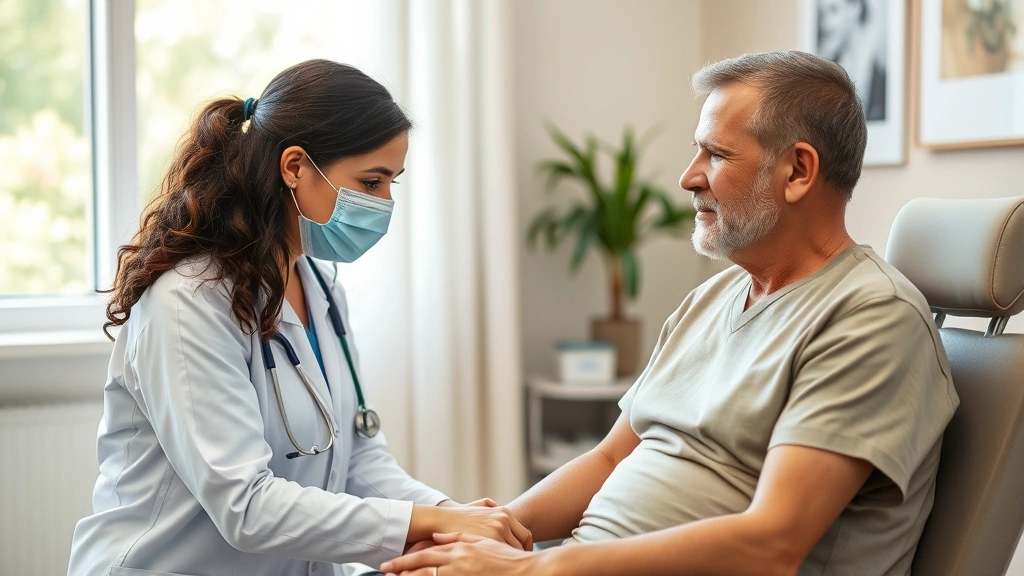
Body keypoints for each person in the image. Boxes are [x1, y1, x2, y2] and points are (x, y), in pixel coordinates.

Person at [381, 51, 958, 576]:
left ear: (799, 171)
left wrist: (525, 571)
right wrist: (494, 530)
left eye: (718, 153)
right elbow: (610, 458)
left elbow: (773, 544)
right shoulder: (713, 299)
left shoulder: (871, 317)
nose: (688, 177)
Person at [67, 59, 531, 576]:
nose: (386, 203)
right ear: (294, 167)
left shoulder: (321, 288)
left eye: (393, 183)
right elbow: (246, 507)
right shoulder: (189, 300)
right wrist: (423, 525)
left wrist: (449, 515)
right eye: (371, 182)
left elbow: (357, 460)